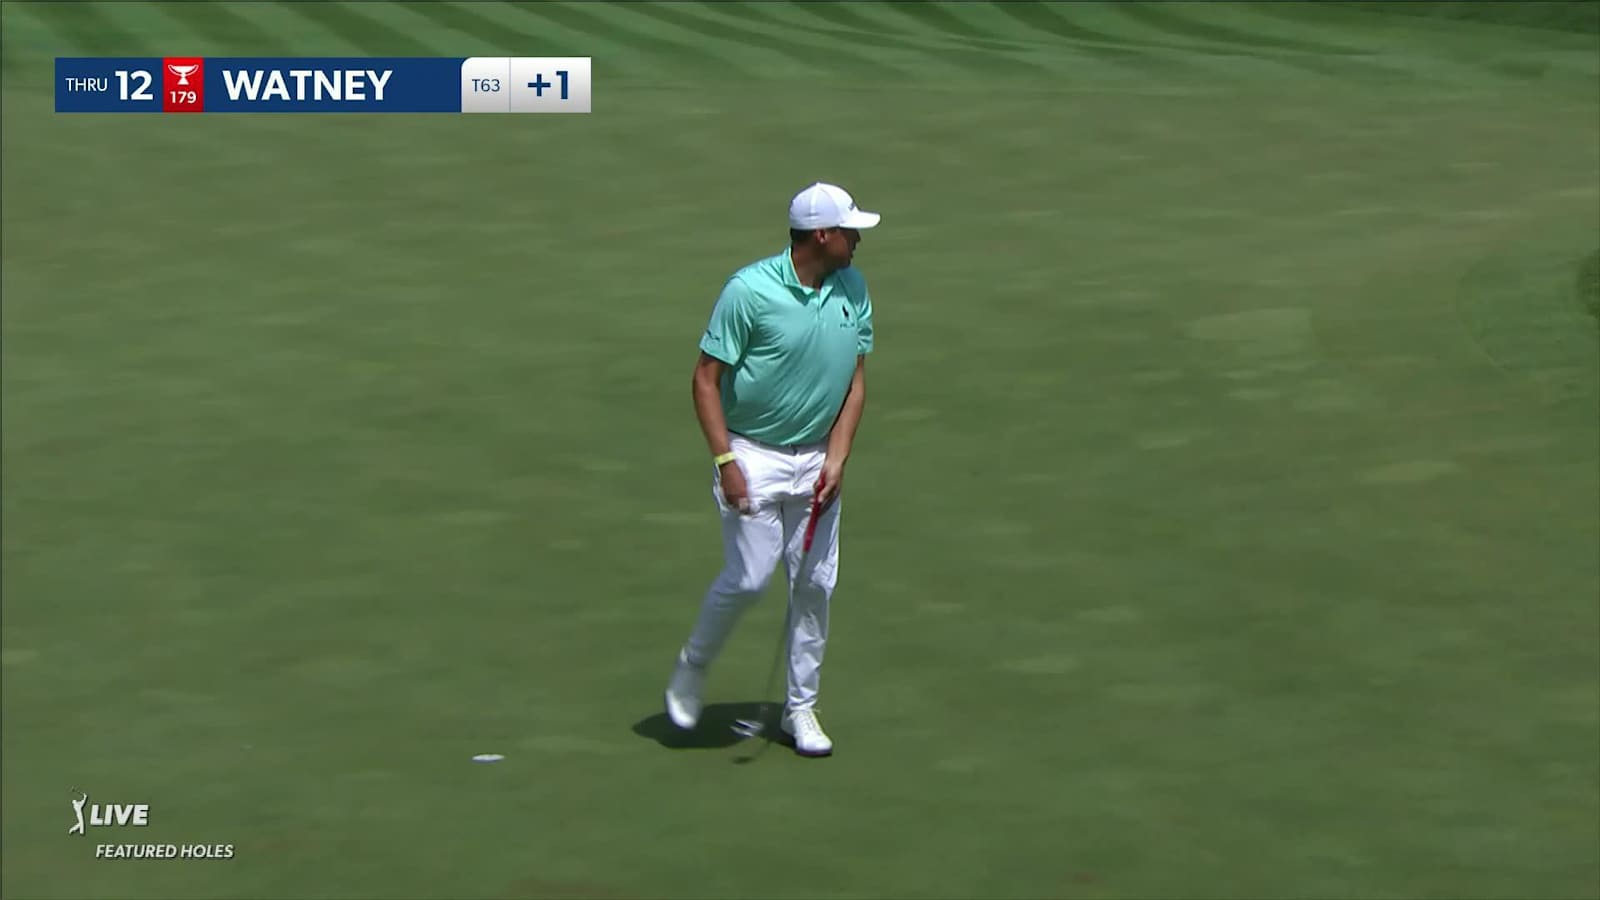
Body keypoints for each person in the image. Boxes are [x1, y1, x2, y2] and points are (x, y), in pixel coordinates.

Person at [663, 181, 880, 757]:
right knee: (750, 579)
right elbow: (705, 378)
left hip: (816, 458)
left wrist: (837, 456)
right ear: (822, 236)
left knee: (814, 585)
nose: (858, 240)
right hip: (752, 454)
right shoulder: (749, 292)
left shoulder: (852, 288)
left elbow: (855, 384)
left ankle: (801, 709)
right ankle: (693, 664)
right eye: (850, 230)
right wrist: (726, 461)